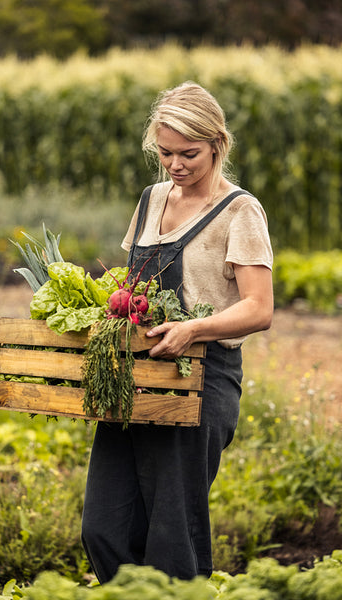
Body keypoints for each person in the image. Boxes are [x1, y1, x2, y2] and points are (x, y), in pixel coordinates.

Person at [81, 81, 273, 582]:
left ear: (217, 144)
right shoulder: (150, 200)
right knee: (105, 526)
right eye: (165, 153)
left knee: (172, 535)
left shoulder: (239, 211)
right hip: (136, 379)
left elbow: (259, 308)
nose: (175, 165)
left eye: (189, 153)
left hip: (202, 381)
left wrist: (193, 329)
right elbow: (130, 282)